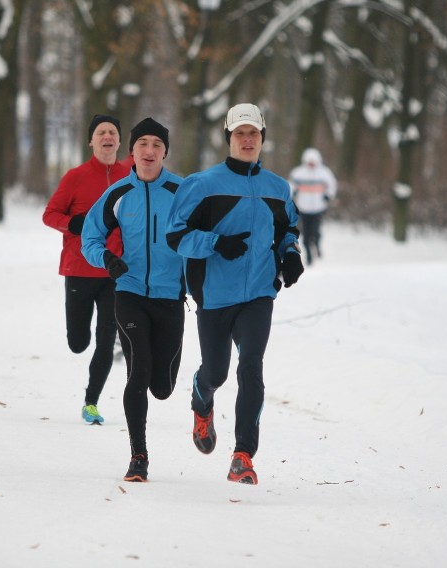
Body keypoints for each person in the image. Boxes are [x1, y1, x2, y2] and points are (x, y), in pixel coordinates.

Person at [166, 103, 304, 485]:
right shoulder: (203, 184)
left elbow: (289, 229)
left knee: (252, 369)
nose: (247, 140)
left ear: (262, 138)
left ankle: (243, 455)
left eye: (254, 134)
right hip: (214, 296)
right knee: (217, 372)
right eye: (240, 133)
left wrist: (289, 255)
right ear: (228, 138)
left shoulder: (277, 188)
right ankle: (201, 400)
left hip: (259, 294)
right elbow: (176, 236)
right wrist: (215, 243)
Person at [81, 118, 186, 482]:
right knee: (137, 370)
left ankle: (166, 384)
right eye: (143, 143)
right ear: (132, 151)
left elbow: (205, 236)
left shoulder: (182, 191)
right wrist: (106, 259)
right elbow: (90, 238)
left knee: (162, 387)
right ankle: (138, 456)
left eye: (157, 143)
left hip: (170, 297)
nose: (149, 150)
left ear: (165, 152)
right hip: (128, 293)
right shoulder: (117, 194)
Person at [42, 114, 132, 425]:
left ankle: (91, 402)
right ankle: (78, 342)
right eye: (101, 132)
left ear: (119, 141)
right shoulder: (75, 177)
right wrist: (71, 223)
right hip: (79, 269)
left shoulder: (132, 175)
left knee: (106, 338)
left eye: (112, 132)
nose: (107, 136)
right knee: (78, 342)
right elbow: (49, 214)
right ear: (91, 141)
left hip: (114, 271)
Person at [288, 147, 338, 264]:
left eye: (313, 162)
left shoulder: (324, 173)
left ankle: (317, 244)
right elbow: (290, 186)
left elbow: (332, 185)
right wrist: (292, 193)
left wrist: (328, 195)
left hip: (318, 208)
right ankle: (309, 255)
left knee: (315, 231)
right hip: (303, 208)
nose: (311, 164)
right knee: (305, 232)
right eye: (309, 162)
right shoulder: (298, 173)